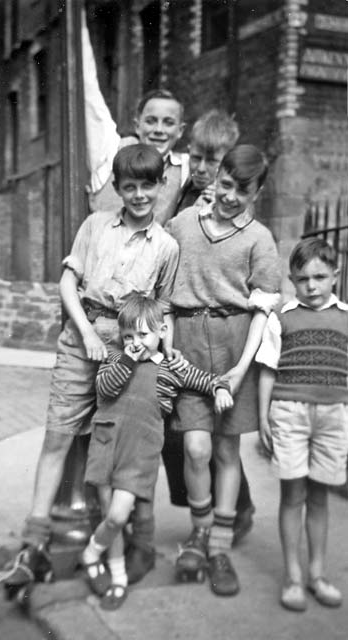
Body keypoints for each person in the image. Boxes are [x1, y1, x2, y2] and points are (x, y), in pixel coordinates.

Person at [0, 143, 180, 601]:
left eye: (147, 186)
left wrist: (164, 362)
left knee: (119, 451)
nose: (139, 195)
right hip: (83, 338)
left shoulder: (167, 246)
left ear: (161, 186)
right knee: (58, 435)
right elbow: (67, 283)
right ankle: (33, 544)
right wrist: (88, 334)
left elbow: (163, 311)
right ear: (117, 189)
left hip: (131, 348)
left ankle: (119, 551)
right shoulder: (96, 225)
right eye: (130, 186)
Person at [166, 144, 281, 596]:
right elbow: (162, 281)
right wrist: (167, 349)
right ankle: (198, 530)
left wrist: (240, 369)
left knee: (226, 450)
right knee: (195, 447)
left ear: (259, 190)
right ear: (217, 178)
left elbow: (263, 310)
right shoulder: (182, 224)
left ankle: (219, 546)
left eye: (243, 190)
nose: (232, 196)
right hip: (188, 344)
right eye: (227, 185)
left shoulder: (260, 239)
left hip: (235, 344)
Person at [81, 294, 233, 610]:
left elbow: (203, 380)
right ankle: (118, 578)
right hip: (108, 442)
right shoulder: (114, 357)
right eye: (128, 336)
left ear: (162, 331)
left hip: (140, 452)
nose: (135, 342)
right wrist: (128, 358)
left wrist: (220, 389)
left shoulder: (171, 368)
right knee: (113, 516)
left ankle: (92, 552)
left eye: (143, 335)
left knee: (118, 515)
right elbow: (105, 389)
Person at [161, 109, 256, 549]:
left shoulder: (230, 208)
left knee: (220, 437)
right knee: (187, 435)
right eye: (195, 158)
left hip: (220, 332)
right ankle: (205, 516)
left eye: (211, 162)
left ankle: (236, 512)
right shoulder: (183, 196)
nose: (200, 169)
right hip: (179, 330)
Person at [256, 237, 348, 612]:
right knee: (292, 495)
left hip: (333, 415)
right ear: (291, 280)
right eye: (302, 279)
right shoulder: (282, 319)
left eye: (319, 277)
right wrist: (263, 416)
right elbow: (267, 370)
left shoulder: (345, 319)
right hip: (289, 413)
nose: (311, 286)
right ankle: (293, 576)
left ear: (335, 276)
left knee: (320, 496)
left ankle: (317, 574)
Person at [88, 88, 189, 226]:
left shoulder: (185, 167)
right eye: (150, 121)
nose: (159, 130)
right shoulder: (113, 150)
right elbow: (90, 98)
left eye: (168, 123)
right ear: (137, 126)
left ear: (180, 130)